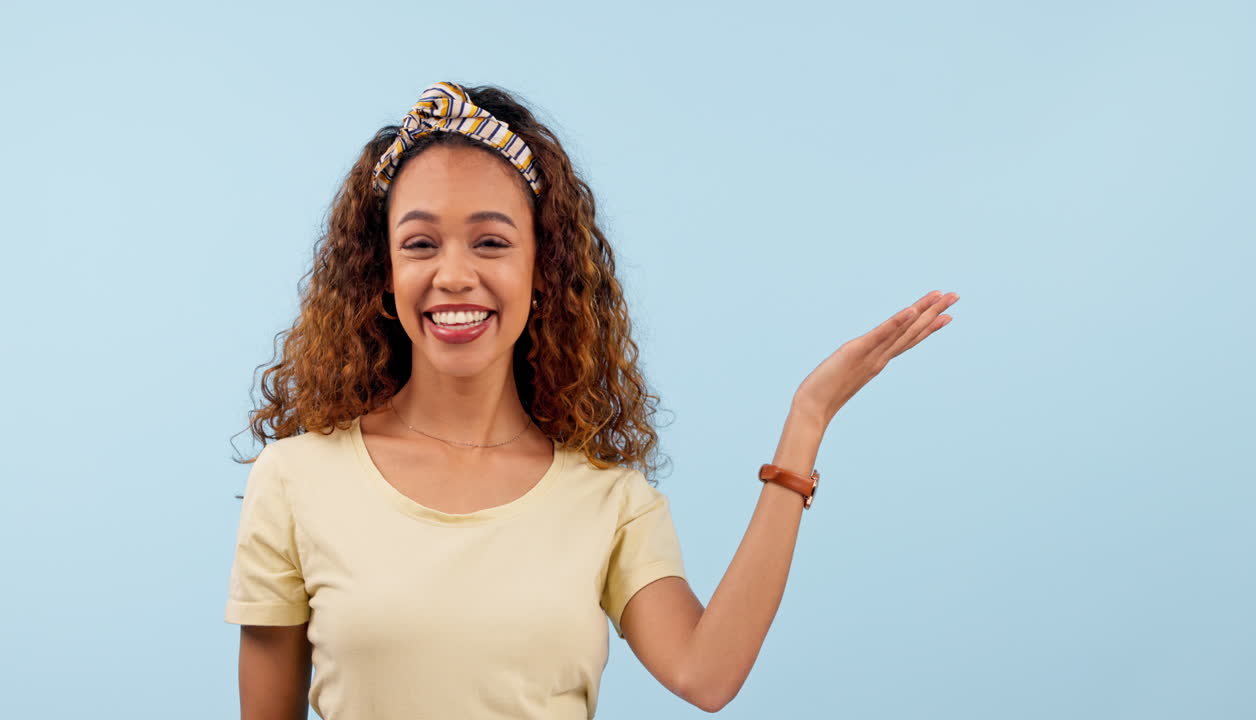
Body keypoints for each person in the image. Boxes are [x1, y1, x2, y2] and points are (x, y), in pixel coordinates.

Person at [224, 80, 959, 719]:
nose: (453, 275)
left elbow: (707, 674)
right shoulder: (294, 480)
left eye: (490, 243)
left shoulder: (609, 500)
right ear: (380, 273)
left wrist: (808, 418)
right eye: (420, 245)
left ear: (543, 268)